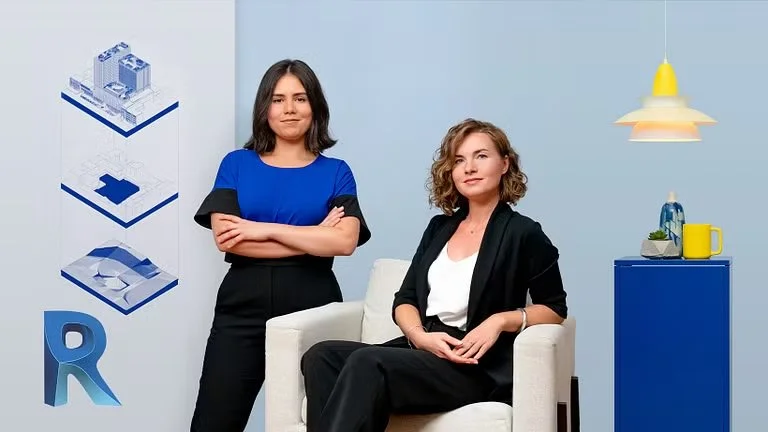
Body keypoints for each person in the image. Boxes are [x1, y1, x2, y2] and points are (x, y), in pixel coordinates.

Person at [300, 118, 567, 432]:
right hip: (425, 347)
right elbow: (405, 299)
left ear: (504, 164)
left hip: (472, 365)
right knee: (321, 357)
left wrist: (500, 321)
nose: (469, 167)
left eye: (481, 156)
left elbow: (555, 309)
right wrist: (419, 336)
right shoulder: (440, 228)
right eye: (458, 160)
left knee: (366, 362)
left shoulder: (523, 233)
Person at [190, 59, 371, 432]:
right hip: (241, 305)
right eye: (278, 99)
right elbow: (229, 239)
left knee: (322, 422)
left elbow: (344, 241)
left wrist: (259, 229)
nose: (289, 109)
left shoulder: (336, 171)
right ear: (264, 109)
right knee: (214, 422)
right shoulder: (237, 164)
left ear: (315, 107)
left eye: (300, 98)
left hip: (314, 304)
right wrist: (312, 236)